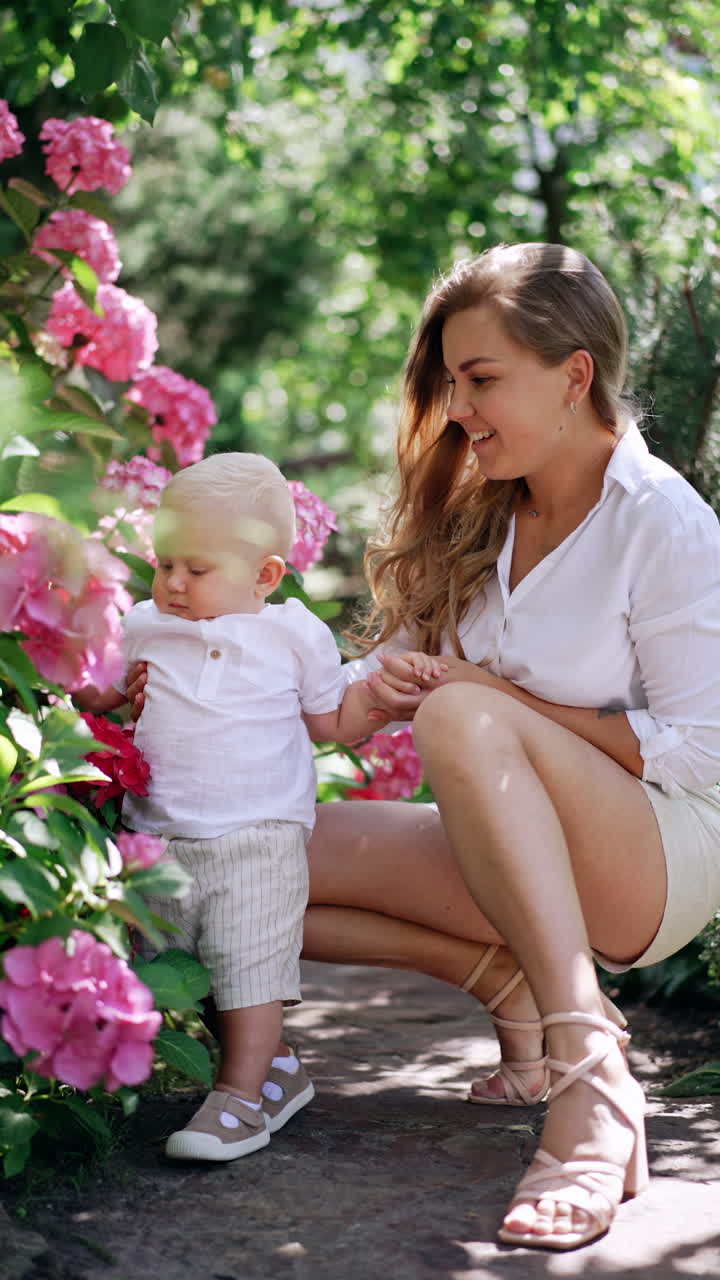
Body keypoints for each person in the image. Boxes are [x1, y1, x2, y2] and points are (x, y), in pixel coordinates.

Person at [126, 242, 720, 1251]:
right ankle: (512, 980)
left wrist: (491, 696)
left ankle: (589, 1075)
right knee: (229, 854)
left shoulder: (661, 522)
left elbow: (704, 756)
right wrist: (190, 670)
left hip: (659, 859)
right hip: (519, 854)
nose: (459, 410)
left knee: (460, 712)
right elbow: (364, 697)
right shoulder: (480, 517)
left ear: (574, 374)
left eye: (482, 379)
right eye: (451, 384)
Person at [76, 451, 413, 1164]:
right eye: (164, 563)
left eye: (195, 570)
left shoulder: (292, 635)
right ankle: (277, 1071)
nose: (170, 582)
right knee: (183, 966)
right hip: (159, 833)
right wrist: (83, 686)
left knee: (249, 968)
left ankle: (238, 1099)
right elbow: (106, 693)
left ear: (265, 575)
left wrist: (382, 702)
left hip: (259, 835)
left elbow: (329, 723)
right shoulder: (145, 624)